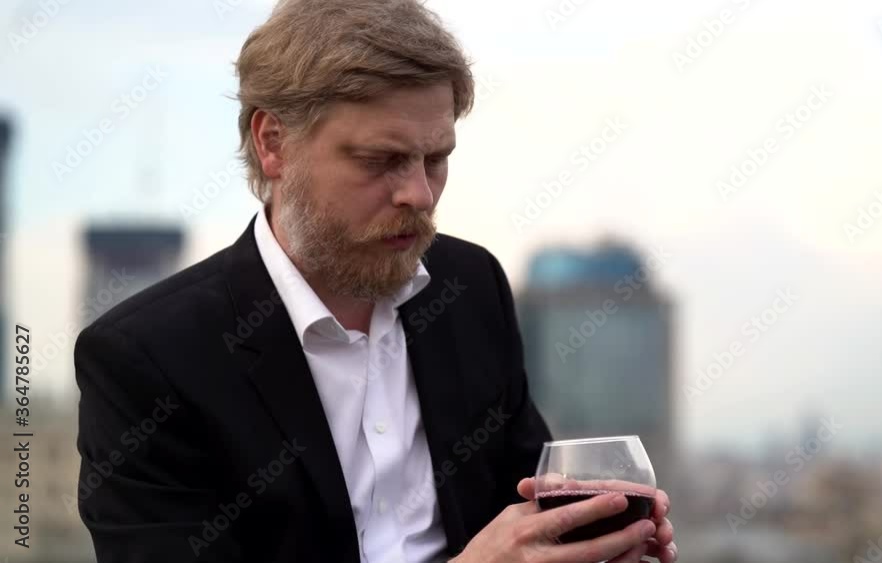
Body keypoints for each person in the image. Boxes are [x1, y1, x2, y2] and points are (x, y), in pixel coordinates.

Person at [73, 1, 678, 561]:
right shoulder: (146, 360)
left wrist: (592, 540)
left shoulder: (470, 287)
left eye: (436, 158)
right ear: (273, 144)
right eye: (381, 161)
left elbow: (524, 502)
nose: (419, 193)